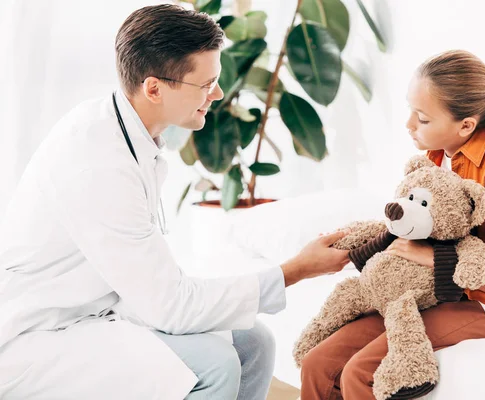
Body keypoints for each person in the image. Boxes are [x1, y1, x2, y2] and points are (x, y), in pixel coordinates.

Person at [0, 5, 349, 400]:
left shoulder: (130, 134)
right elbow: (170, 307)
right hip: (40, 334)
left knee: (254, 342)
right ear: (154, 88)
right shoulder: (97, 163)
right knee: (214, 365)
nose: (217, 95)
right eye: (206, 84)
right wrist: (296, 270)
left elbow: (160, 288)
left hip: (100, 309)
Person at [299, 49, 485, 399]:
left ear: (465, 125)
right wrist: (353, 244)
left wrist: (433, 259)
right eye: (411, 111)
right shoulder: (434, 161)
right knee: (319, 363)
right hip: (434, 291)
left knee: (362, 372)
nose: (409, 125)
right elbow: (418, 228)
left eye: (421, 118)